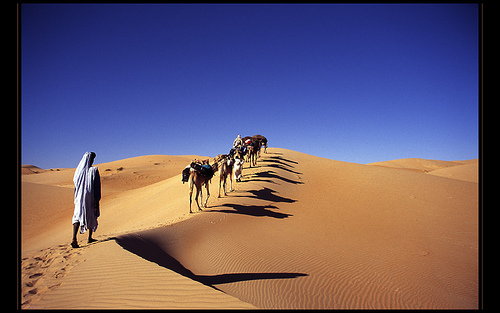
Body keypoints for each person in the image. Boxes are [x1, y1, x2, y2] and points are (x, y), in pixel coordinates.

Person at [71, 152, 101, 248]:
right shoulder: (94, 170)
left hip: (79, 198)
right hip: (90, 197)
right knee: (92, 214)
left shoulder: (78, 172)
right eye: (92, 159)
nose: (92, 160)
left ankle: (74, 238)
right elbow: (97, 187)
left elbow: (75, 186)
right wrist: (97, 200)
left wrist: (76, 197)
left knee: (77, 216)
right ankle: (89, 238)